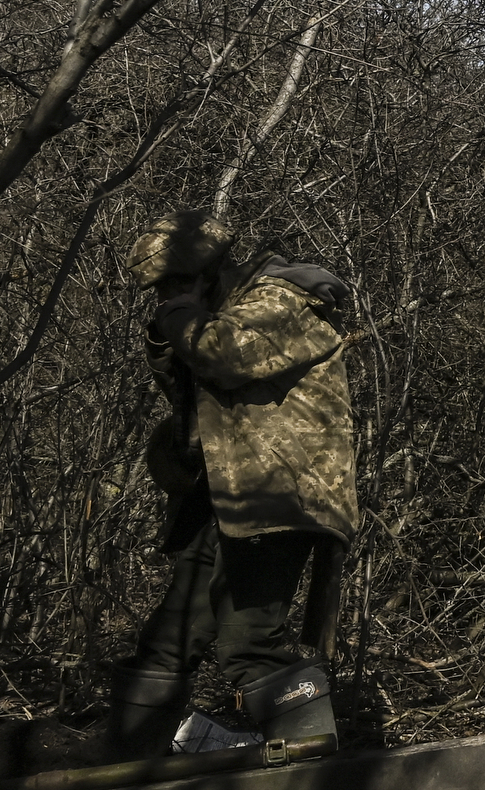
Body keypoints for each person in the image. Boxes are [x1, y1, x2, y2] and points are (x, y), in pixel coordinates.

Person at [108, 212, 359, 759]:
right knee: (169, 640)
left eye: (177, 284)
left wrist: (176, 317)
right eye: (160, 291)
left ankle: (307, 777)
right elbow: (190, 393)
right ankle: (125, 772)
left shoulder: (281, 300)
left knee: (248, 643)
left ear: (212, 269)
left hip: (278, 498)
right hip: (226, 501)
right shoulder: (212, 314)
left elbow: (224, 356)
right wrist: (170, 332)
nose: (168, 298)